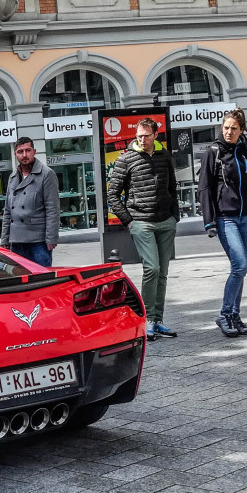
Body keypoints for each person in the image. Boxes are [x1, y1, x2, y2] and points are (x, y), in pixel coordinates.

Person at [106, 117, 180, 340]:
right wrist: (129, 220)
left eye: (147, 135)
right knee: (152, 268)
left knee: (163, 273)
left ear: (155, 135)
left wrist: (175, 215)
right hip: (141, 221)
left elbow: (172, 186)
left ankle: (158, 320)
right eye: (139, 136)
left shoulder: (164, 155)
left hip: (166, 221)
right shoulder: (126, 159)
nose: (143, 139)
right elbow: (113, 194)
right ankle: (145, 319)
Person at [199, 108, 247, 337]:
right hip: (225, 217)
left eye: (234, 128)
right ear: (221, 128)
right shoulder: (213, 152)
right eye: (226, 127)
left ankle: (235, 316)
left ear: (241, 130)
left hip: (245, 217)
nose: (229, 131)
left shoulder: (243, 151)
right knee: (240, 265)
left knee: (240, 269)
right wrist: (209, 221)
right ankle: (225, 314)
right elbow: (205, 188)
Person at [0, 137, 59, 266]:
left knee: (42, 278)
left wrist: (51, 238)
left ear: (34, 152)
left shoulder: (47, 174)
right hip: (16, 241)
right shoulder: (13, 177)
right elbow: (8, 211)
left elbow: (52, 209)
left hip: (38, 241)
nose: (24, 155)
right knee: (21, 280)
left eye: (28, 150)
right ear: (15, 154)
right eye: (20, 152)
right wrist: (5, 239)